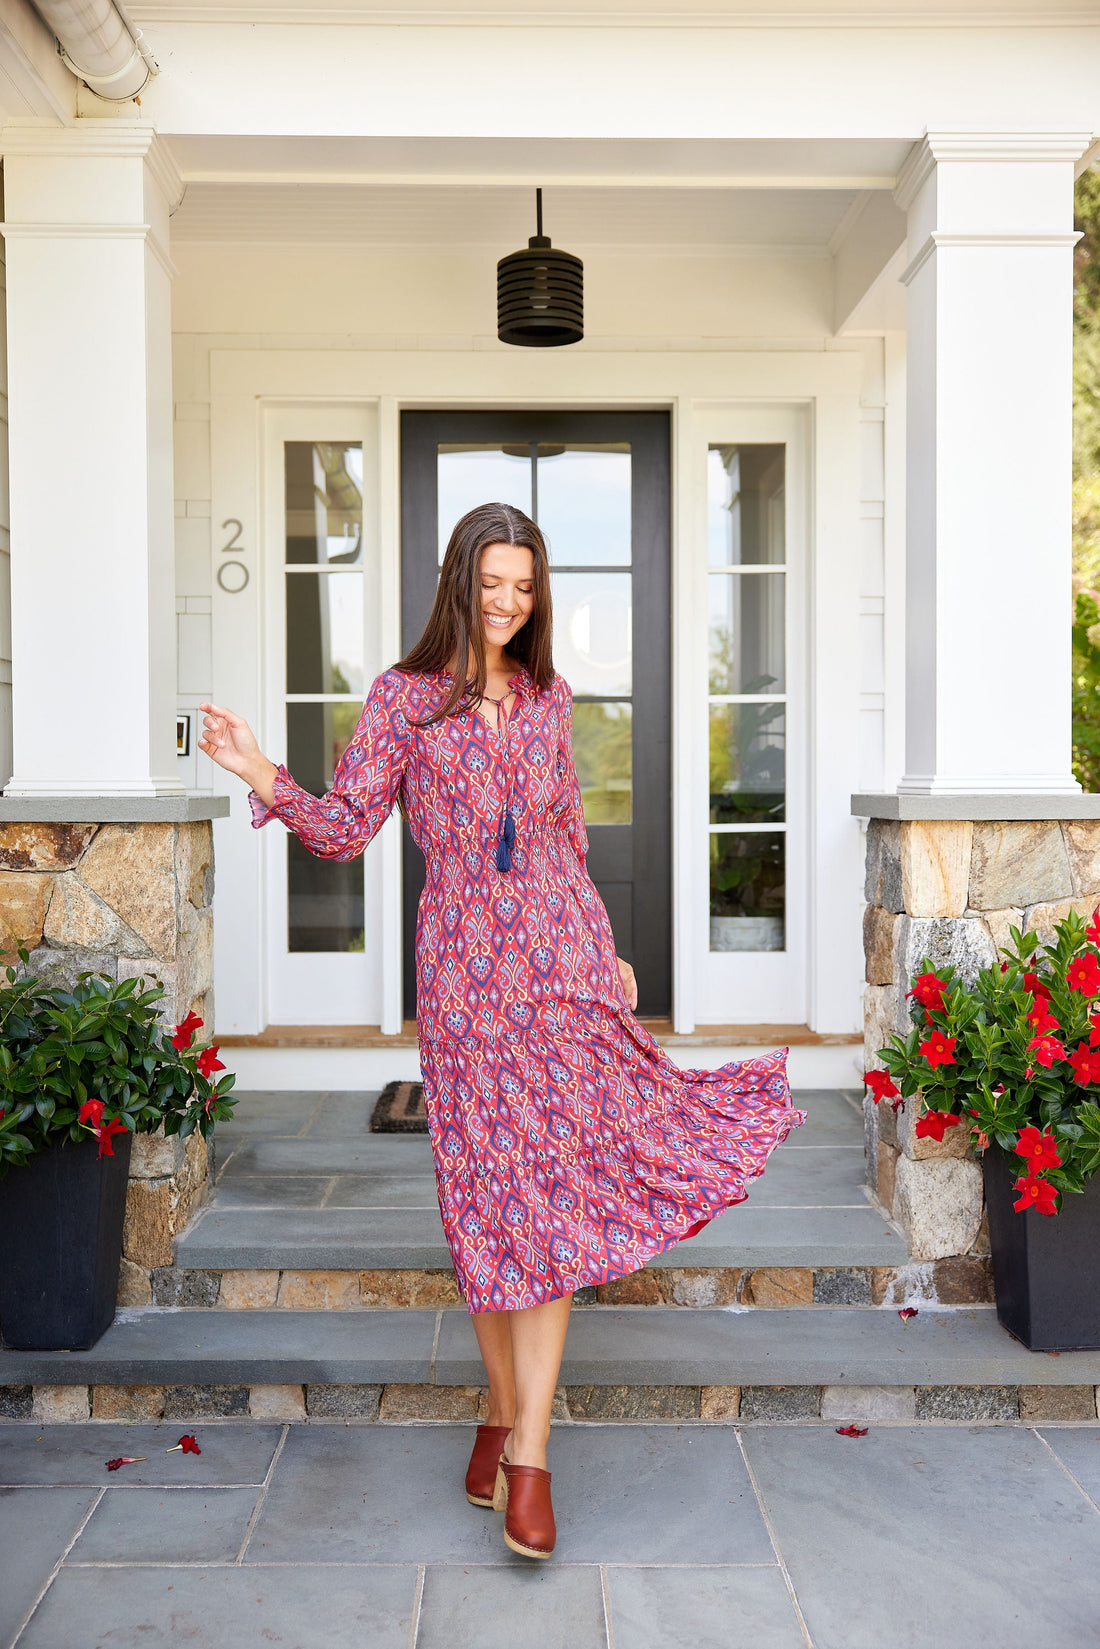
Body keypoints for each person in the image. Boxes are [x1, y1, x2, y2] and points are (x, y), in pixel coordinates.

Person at [199, 500, 804, 1561]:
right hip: (464, 982)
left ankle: (529, 1448)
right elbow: (345, 826)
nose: (508, 601)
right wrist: (259, 770)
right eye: (492, 583)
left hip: (559, 964)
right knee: (485, 1199)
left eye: (524, 586)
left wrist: (608, 950)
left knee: (553, 1193)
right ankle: (495, 1408)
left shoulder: (548, 697)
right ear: (459, 581)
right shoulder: (404, 699)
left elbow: (565, 834)